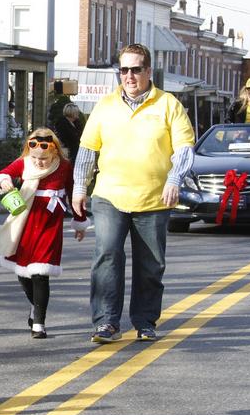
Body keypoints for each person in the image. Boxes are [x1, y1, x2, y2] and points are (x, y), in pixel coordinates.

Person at [72, 43, 195, 343]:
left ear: (148, 71)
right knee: (107, 255)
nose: (129, 76)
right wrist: (79, 188)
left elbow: (184, 149)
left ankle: (145, 321)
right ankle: (106, 322)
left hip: (154, 199)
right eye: (123, 69)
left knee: (151, 264)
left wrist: (174, 179)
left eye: (136, 69)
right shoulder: (105, 106)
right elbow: (88, 151)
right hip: (109, 196)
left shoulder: (168, 105)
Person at [0, 128, 88, 339]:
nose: (39, 162)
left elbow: (74, 195)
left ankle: (39, 323)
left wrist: (80, 222)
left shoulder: (64, 167)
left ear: (54, 153)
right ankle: (34, 306)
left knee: (40, 274)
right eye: (35, 157)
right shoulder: (24, 162)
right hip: (25, 223)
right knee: (23, 273)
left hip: (50, 226)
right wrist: (4, 181)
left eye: (44, 158)